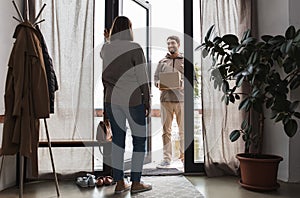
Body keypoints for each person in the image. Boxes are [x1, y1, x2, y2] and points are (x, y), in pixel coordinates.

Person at [100, 16, 152, 194]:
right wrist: (147, 100)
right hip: (133, 101)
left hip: (111, 101)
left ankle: (120, 182)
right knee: (139, 141)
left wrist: (108, 39)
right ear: (129, 29)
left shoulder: (106, 48)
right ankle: (136, 182)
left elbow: (104, 61)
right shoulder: (134, 48)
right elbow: (142, 76)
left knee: (118, 143)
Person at [154, 35, 184, 168]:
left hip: (181, 100)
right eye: (168, 44)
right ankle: (167, 158)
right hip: (165, 100)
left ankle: (184, 158)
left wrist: (183, 83)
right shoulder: (162, 62)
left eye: (172, 43)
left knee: (183, 131)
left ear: (178, 44)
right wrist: (158, 83)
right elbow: (155, 79)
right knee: (166, 131)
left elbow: (193, 80)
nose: (170, 45)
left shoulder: (185, 61)